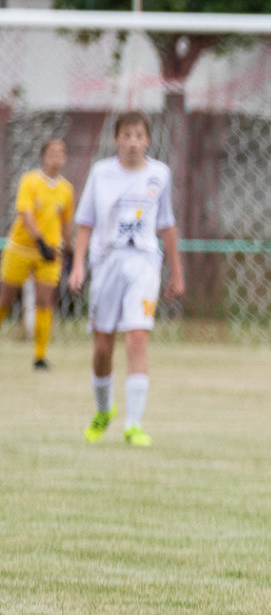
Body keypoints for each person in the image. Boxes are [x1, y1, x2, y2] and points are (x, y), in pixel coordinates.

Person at [66, 114, 181, 445]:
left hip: (144, 262)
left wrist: (177, 270)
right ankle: (104, 410)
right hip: (107, 263)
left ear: (147, 140)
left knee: (137, 336)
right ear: (116, 139)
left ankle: (134, 424)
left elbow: (167, 224)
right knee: (103, 345)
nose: (133, 141)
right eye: (127, 135)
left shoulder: (159, 174)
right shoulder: (101, 173)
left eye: (139, 135)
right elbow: (85, 222)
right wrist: (78, 266)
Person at [4, 136, 74, 370]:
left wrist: (70, 249)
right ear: (43, 155)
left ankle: (40, 356)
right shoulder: (30, 181)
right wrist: (40, 241)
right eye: (52, 152)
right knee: (6, 298)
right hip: (22, 248)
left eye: (61, 152)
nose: (56, 156)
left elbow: (65, 222)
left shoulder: (66, 189)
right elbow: (26, 213)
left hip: (50, 253)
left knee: (45, 300)